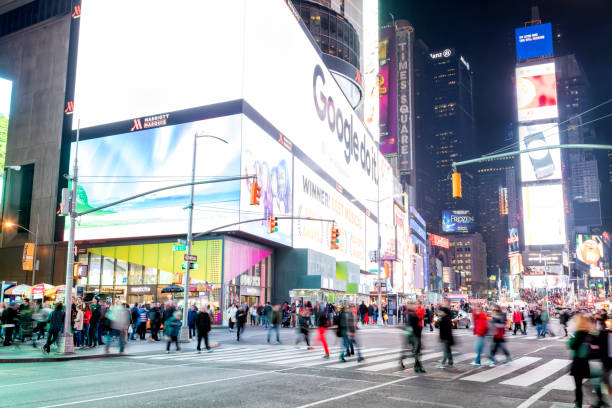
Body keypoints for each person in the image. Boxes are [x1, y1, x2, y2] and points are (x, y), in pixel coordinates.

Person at [569, 313, 604, 408]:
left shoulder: (580, 332)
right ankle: (599, 400)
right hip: (592, 360)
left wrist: (571, 336)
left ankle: (579, 404)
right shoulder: (592, 332)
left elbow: (572, 346)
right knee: (594, 383)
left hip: (584, 362)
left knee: (581, 385)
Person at [437, 300, 454, 369]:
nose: (440, 313)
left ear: (444, 312)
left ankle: (442, 363)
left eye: (441, 312)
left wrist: (439, 320)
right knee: (448, 350)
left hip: (446, 337)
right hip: (446, 337)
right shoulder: (445, 318)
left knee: (446, 351)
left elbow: (440, 326)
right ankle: (450, 362)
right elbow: (437, 325)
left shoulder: (445, 319)